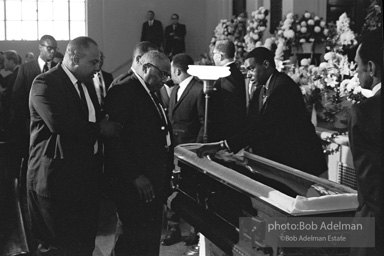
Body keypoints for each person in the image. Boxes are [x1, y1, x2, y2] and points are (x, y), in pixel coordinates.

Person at [27, 36, 122, 256]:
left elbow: (93, 118)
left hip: (84, 181)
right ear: (74, 58)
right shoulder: (45, 83)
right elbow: (59, 123)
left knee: (83, 245)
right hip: (55, 182)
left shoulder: (86, 84)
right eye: (93, 62)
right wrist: (100, 129)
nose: (98, 67)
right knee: (61, 248)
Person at [197, 47, 327, 177]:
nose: (248, 75)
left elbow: (262, 125)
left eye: (251, 69)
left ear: (266, 64)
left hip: (301, 160)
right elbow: (250, 123)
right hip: (278, 160)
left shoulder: (283, 87)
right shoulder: (260, 90)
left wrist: (222, 145)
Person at [105, 51, 174, 256]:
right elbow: (114, 140)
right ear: (146, 69)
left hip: (152, 179)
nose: (165, 80)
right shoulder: (125, 89)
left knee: (148, 239)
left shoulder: (150, 91)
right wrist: (134, 175)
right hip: (135, 183)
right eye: (162, 74)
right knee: (131, 240)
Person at [161, 53, 204, 248]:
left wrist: (195, 151)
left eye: (171, 70)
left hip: (191, 153)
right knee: (172, 190)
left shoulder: (199, 89)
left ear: (177, 70)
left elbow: (204, 124)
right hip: (173, 150)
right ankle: (173, 229)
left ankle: (196, 234)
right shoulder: (175, 89)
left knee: (191, 193)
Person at [348, 29, 382, 256]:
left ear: (371, 67)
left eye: (358, 65)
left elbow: (371, 187)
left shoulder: (364, 113)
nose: (356, 72)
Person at [8, 35, 58, 178]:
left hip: (52, 125)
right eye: (49, 48)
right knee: (29, 159)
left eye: (55, 49)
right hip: (29, 124)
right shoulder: (25, 69)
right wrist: (27, 120)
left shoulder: (58, 69)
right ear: (40, 47)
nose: (53, 52)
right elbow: (17, 97)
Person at [209, 40, 247, 141]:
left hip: (226, 133)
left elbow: (230, 108)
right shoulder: (232, 72)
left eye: (214, 54)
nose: (213, 57)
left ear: (220, 56)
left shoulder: (228, 75)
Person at [0, 50, 20, 132]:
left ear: (11, 61)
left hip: (15, 115)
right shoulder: (16, 73)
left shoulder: (17, 74)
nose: (3, 63)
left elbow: (12, 95)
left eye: (4, 60)